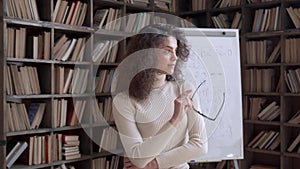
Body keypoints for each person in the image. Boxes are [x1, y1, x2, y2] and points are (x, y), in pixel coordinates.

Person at [112, 23, 208, 169]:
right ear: (146, 54)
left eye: (176, 51)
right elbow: (137, 157)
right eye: (167, 51)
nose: (175, 57)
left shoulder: (185, 89)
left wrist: (153, 164)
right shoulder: (124, 100)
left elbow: (200, 145)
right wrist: (175, 120)